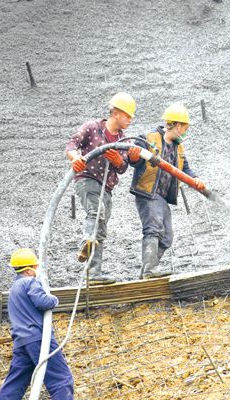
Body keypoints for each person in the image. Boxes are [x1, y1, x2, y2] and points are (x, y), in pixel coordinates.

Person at [128, 103, 206, 279]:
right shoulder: (148, 138)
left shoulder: (179, 147)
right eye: (185, 127)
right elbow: (133, 161)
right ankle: (149, 271)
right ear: (177, 125)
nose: (186, 131)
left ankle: (147, 272)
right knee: (153, 229)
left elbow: (185, 168)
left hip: (162, 197)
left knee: (167, 236)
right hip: (147, 193)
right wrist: (132, 157)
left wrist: (196, 179)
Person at [65, 92, 136, 283]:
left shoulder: (124, 141)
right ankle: (86, 242)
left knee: (101, 228)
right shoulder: (92, 127)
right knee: (96, 214)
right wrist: (75, 158)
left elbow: (122, 168)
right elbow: (72, 144)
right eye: (128, 116)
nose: (130, 120)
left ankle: (93, 274)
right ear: (116, 113)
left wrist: (117, 160)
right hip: (87, 179)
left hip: (107, 188)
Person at [0, 248, 74, 400]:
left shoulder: (14, 289)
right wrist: (54, 299)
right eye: (36, 267)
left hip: (21, 341)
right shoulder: (29, 282)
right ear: (29, 269)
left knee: (14, 384)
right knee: (61, 379)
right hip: (38, 338)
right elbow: (43, 302)